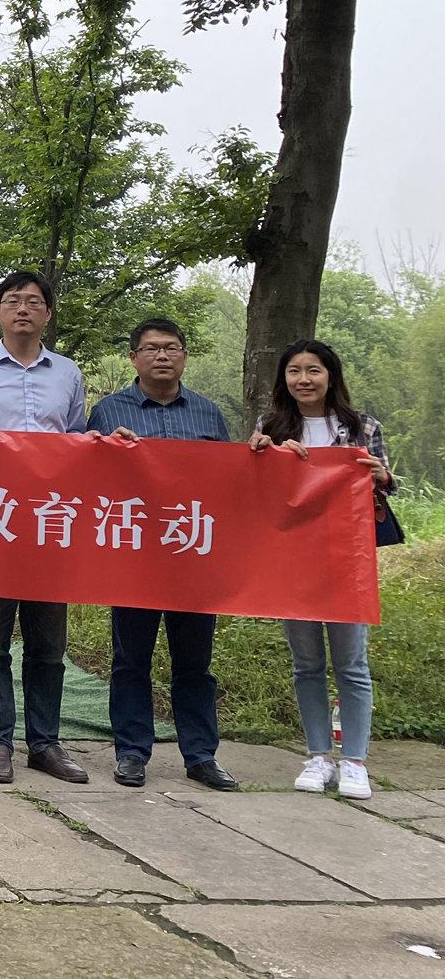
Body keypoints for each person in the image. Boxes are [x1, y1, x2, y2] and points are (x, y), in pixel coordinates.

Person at [0, 269, 90, 786]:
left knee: (48, 646)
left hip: (49, 524)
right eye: (12, 301)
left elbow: (76, 441)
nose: (22, 308)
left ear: (48, 313)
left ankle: (45, 744)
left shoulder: (67, 373)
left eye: (32, 301)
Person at [86, 318, 240, 793]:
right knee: (130, 659)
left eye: (171, 348)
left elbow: (230, 483)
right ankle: (132, 752)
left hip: (192, 556)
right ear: (133, 358)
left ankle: (201, 755)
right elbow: (86, 479)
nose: (162, 356)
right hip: (134, 556)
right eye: (151, 348)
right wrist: (105, 451)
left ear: (184, 356)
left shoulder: (208, 414)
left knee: (194, 662)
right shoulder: (108, 411)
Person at [250, 338, 396, 802]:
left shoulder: (361, 426)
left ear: (331, 376)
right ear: (284, 379)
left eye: (313, 370)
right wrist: (259, 455)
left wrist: (382, 476)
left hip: (346, 560)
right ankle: (318, 755)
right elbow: (256, 494)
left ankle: (354, 761)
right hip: (292, 559)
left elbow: (382, 486)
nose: (304, 380)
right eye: (294, 371)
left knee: (351, 664)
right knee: (306, 663)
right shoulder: (271, 426)